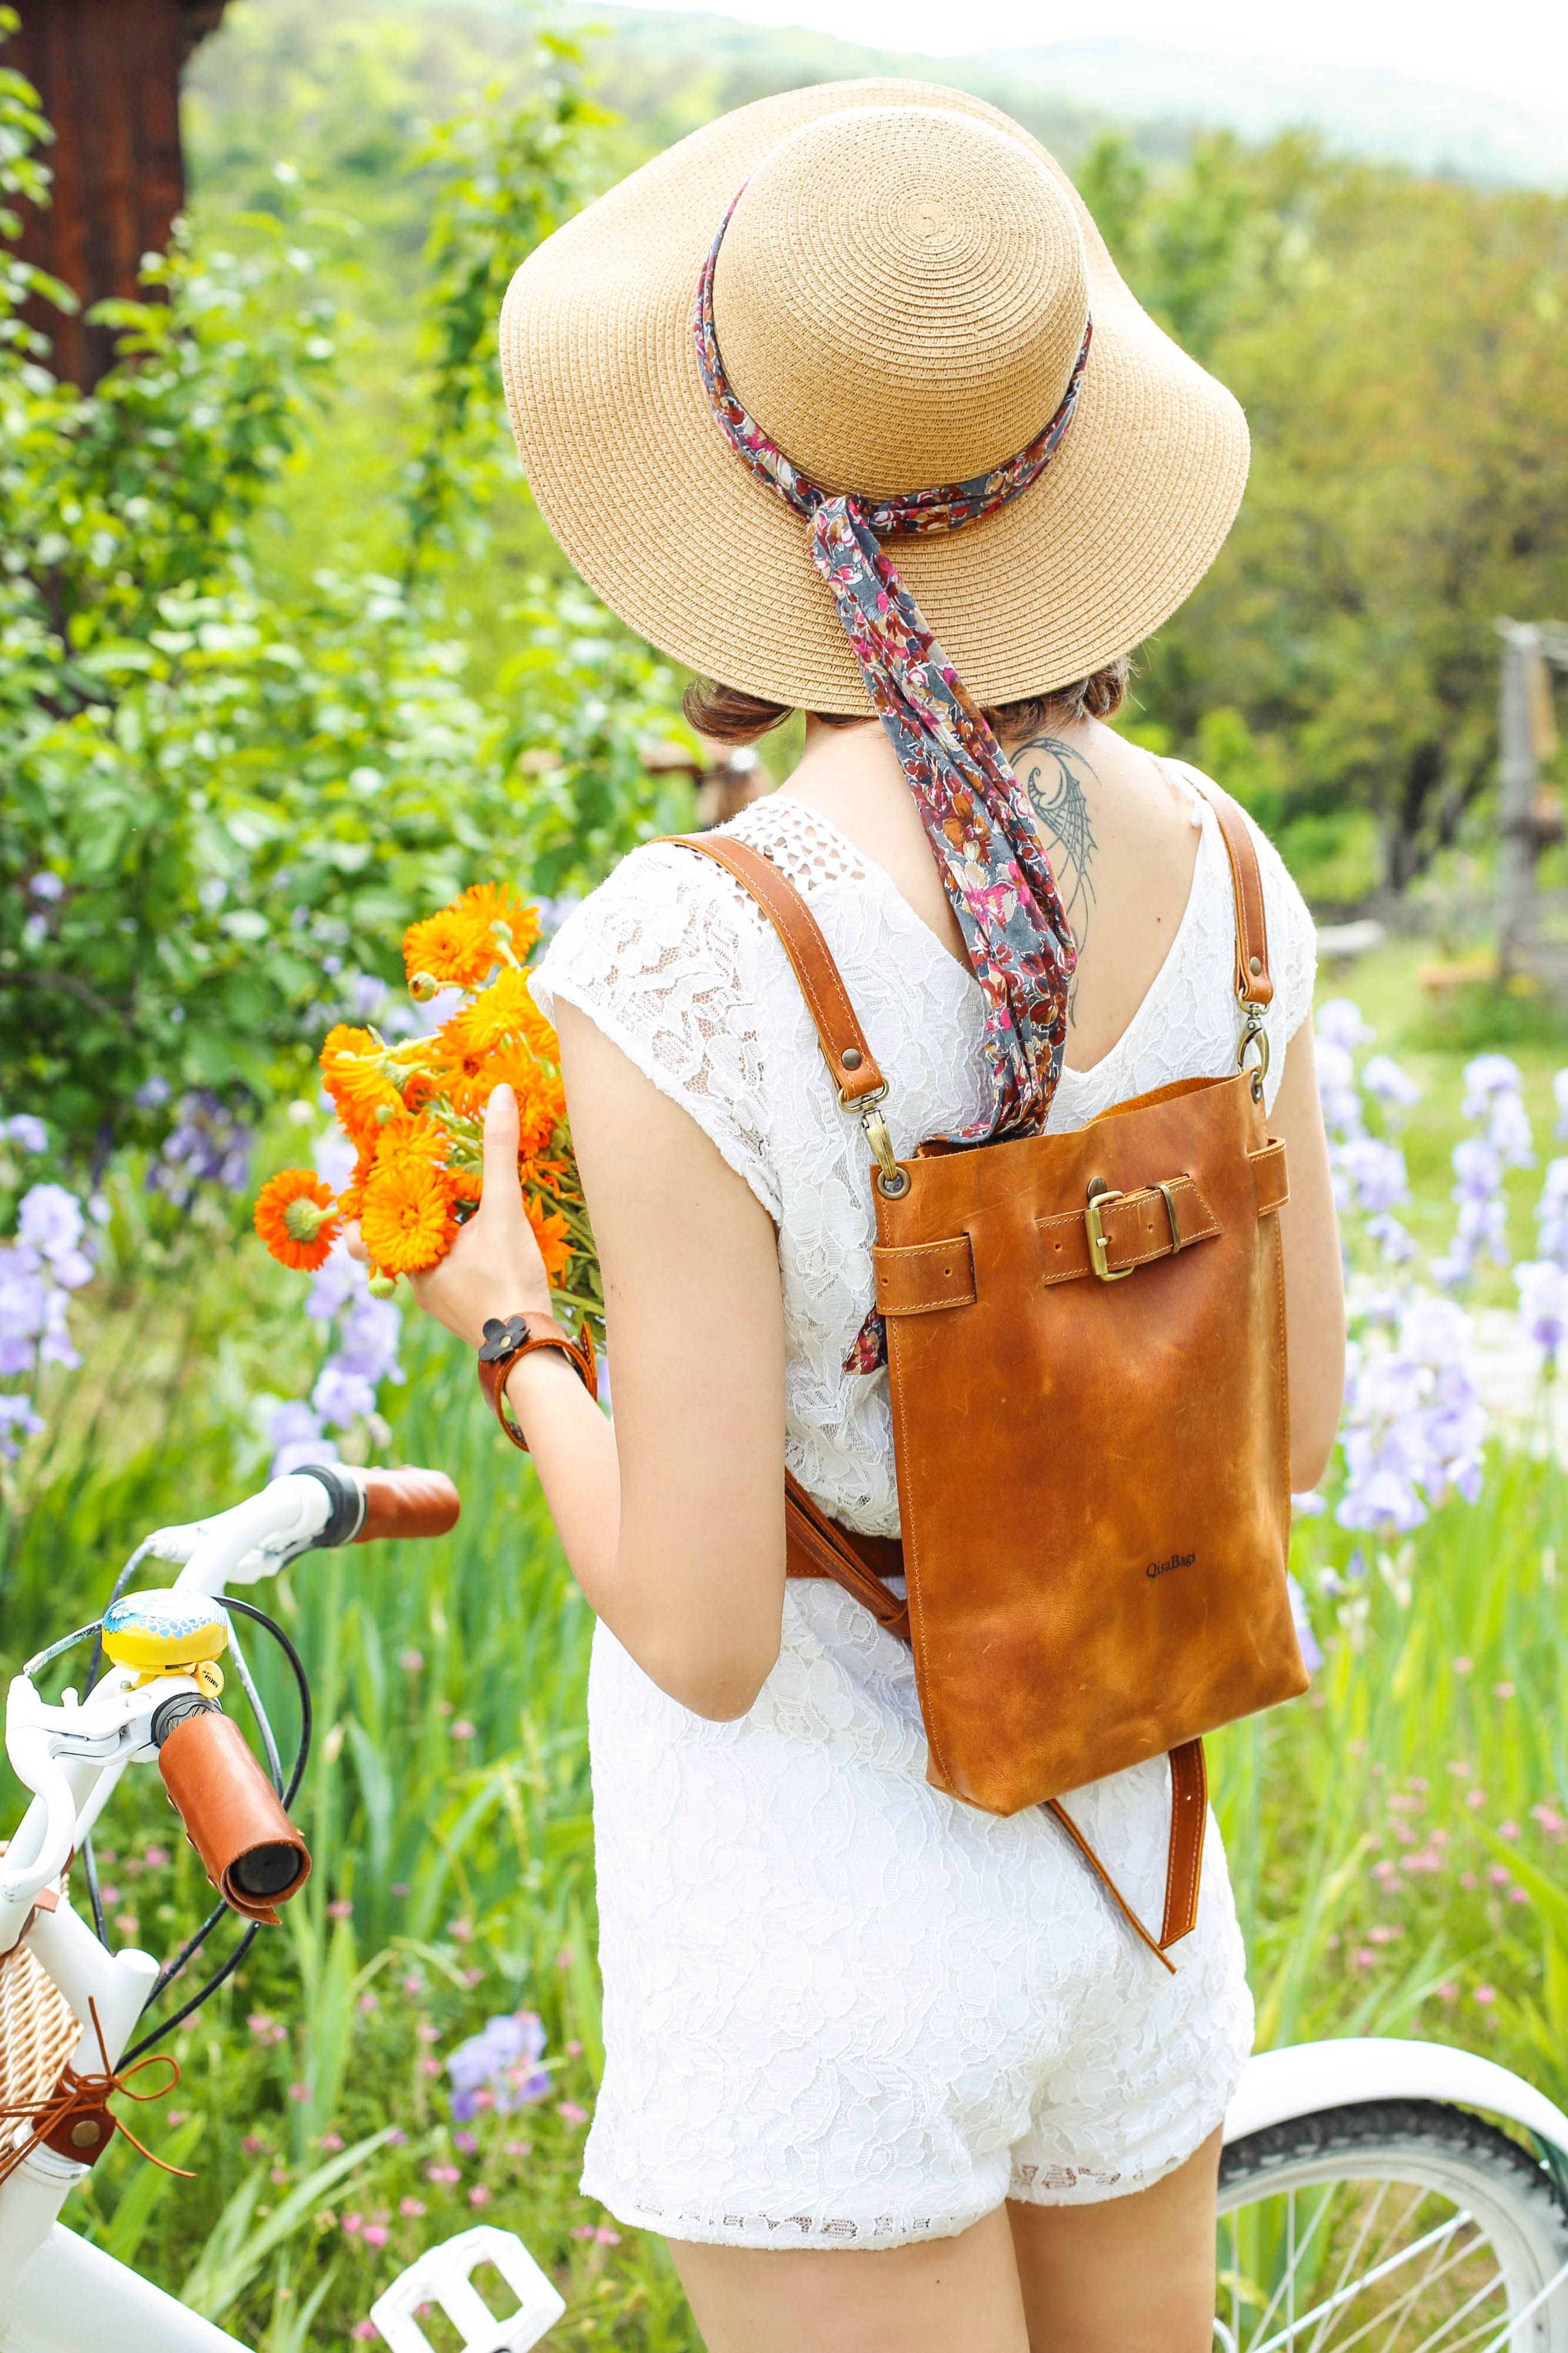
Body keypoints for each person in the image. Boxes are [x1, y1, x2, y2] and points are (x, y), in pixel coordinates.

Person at [395, 79, 1345, 2353]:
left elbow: (711, 1633)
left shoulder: (685, 953)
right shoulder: (1227, 872)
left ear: (737, 490)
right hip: (1127, 1898)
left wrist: (520, 1337)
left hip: (822, 1951)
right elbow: (1287, 1448)